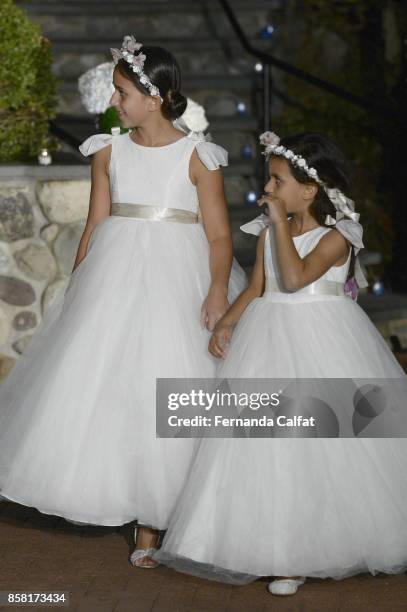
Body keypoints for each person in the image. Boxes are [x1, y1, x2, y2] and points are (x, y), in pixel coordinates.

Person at [0, 36, 246, 569]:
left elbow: (221, 236)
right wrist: (79, 284)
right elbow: (95, 222)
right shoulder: (108, 151)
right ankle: (136, 509)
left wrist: (218, 289)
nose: (115, 101)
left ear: (154, 97)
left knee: (169, 382)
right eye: (115, 91)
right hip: (116, 274)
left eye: (123, 92)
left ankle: (162, 515)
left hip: (178, 275)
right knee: (114, 387)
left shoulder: (198, 156)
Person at [154, 131, 407, 594]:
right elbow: (257, 286)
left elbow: (293, 278)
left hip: (322, 342)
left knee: (317, 445)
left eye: (276, 180)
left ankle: (300, 555)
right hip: (267, 337)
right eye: (269, 181)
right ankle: (265, 543)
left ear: (309, 190)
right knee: (265, 445)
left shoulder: (338, 235)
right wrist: (227, 323)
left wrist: (276, 224)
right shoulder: (272, 229)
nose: (266, 189)